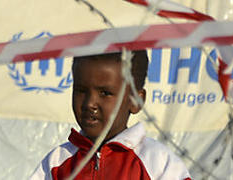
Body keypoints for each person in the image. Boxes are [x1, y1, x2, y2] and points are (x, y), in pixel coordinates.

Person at [29, 51, 191, 180]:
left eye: (105, 93)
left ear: (135, 101)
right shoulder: (57, 162)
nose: (89, 103)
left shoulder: (158, 162)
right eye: (81, 91)